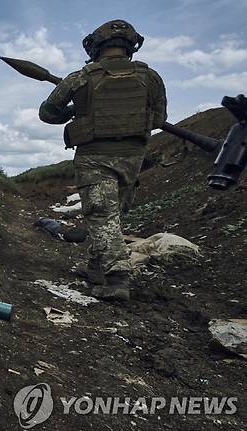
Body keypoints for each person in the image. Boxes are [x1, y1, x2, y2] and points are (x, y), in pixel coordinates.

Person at [39, 19, 167, 301]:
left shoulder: (81, 77)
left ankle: (117, 279)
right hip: (133, 156)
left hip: (95, 156)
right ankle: (95, 268)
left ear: (96, 46)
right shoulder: (151, 77)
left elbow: (47, 112)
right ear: (130, 45)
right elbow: (159, 118)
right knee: (111, 216)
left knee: (101, 214)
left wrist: (75, 110)